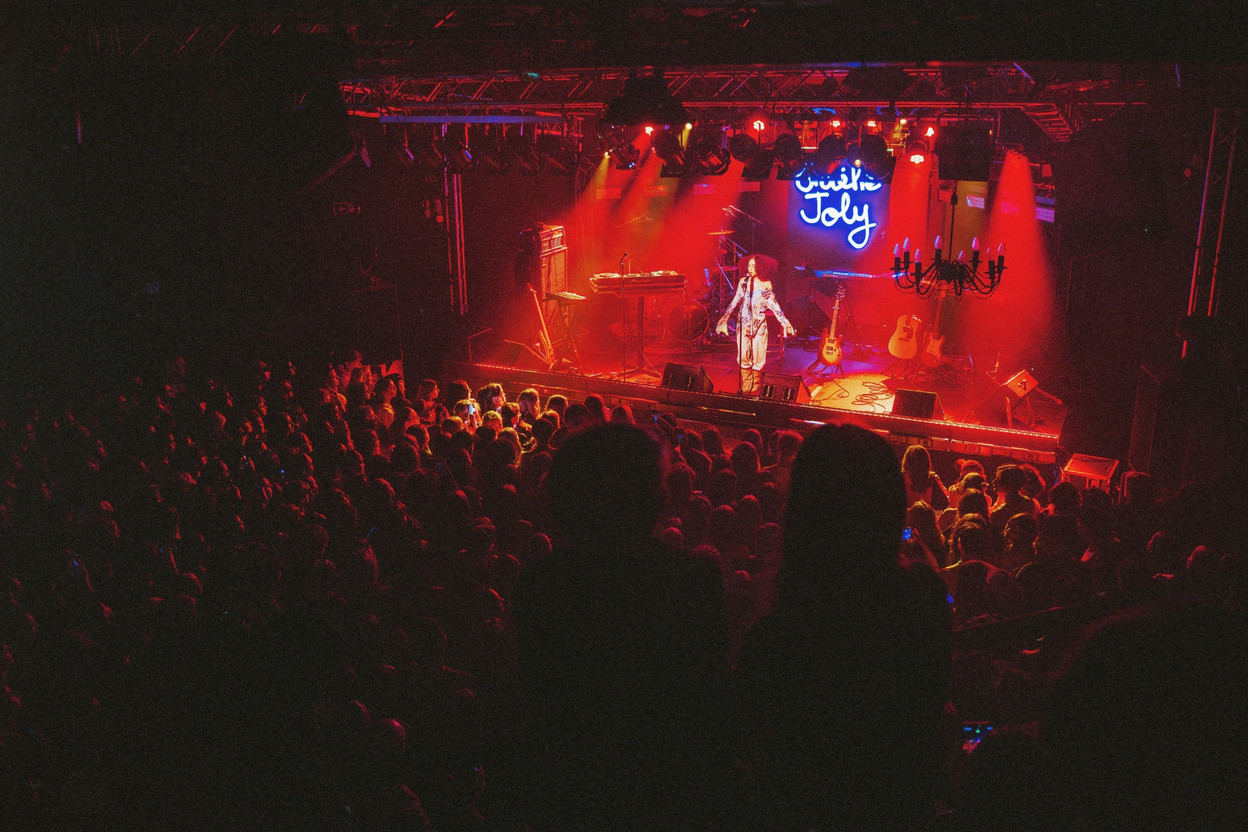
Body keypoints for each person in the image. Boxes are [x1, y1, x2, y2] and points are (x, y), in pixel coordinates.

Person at [732, 424, 951, 831]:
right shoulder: (925, 600)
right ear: (890, 503)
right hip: (897, 811)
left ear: (801, 509)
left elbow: (751, 743)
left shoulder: (778, 635)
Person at [715, 253, 796, 396]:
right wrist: (724, 319)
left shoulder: (766, 284)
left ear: (760, 267)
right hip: (744, 323)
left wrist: (785, 322)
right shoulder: (743, 282)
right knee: (743, 354)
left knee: (758, 354)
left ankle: (756, 383)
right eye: (749, 265)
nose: (750, 268)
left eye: (754, 266)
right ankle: (746, 382)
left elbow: (774, 305)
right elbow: (735, 301)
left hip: (759, 324)